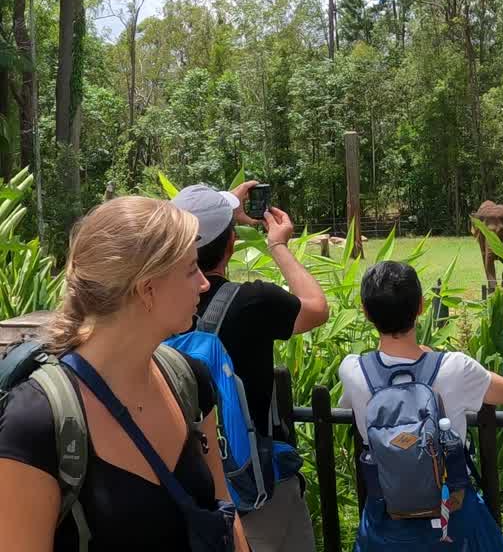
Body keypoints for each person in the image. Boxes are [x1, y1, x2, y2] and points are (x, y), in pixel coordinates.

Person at [0, 196, 250, 550]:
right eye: (191, 269)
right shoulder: (37, 421)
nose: (204, 283)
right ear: (147, 290)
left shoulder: (188, 379)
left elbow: (222, 505)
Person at [173, 182, 329, 551]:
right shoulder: (252, 302)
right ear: (231, 243)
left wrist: (213, 209)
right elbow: (316, 307)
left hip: (186, 487)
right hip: (254, 494)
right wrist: (278, 245)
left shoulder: (152, 306)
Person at [339, 261, 503, 552]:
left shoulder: (353, 371)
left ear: (366, 312)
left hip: (386, 513)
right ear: (421, 306)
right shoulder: (454, 367)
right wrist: (434, 356)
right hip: (452, 509)